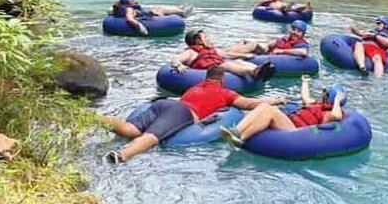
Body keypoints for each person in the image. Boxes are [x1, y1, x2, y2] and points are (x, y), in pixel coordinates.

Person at [102, 65, 287, 162]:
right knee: (151, 137)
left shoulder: (195, 87)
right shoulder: (225, 92)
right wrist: (273, 101)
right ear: (222, 79)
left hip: (163, 105)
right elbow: (249, 104)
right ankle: (122, 156)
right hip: (181, 112)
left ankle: (94, 119)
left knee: (129, 129)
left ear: (206, 77)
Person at [219, 75, 344, 146]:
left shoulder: (329, 114)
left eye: (325, 93)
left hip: (296, 132)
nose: (322, 94)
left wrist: (337, 100)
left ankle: (239, 135)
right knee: (264, 107)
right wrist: (304, 82)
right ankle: (237, 134)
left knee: (270, 111)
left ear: (329, 98)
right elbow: (305, 96)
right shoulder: (316, 104)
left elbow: (337, 116)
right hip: (291, 123)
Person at [171, 29, 276, 81]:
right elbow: (176, 59)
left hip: (219, 66)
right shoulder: (191, 52)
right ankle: (254, 72)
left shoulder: (211, 50)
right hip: (208, 72)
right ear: (198, 41)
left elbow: (227, 54)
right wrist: (179, 65)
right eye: (206, 37)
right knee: (225, 65)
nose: (208, 39)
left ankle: (262, 71)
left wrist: (244, 56)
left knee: (237, 62)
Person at [108, 0, 192, 35]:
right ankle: (182, 12)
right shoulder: (128, 9)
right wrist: (139, 26)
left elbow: (110, 11)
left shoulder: (118, 5)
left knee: (156, 8)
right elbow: (129, 19)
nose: (134, 0)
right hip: (144, 18)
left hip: (141, 15)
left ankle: (179, 10)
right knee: (159, 9)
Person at [224, 20, 310, 58]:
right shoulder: (286, 38)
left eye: (298, 31)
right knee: (246, 42)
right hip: (268, 54)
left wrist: (282, 51)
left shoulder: (301, 43)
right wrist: (267, 46)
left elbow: (303, 52)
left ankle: (226, 54)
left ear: (302, 34)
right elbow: (272, 43)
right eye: (293, 29)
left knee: (253, 45)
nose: (295, 32)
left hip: (272, 58)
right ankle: (226, 52)